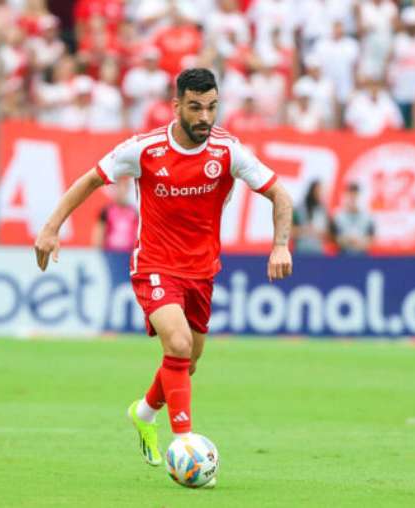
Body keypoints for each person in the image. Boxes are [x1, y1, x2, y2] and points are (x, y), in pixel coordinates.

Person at [34, 68, 293, 477]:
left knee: (187, 362)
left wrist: (280, 244)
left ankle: (143, 412)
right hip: (154, 265)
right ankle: (185, 443)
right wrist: (51, 228)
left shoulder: (228, 151)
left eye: (211, 107)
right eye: (195, 107)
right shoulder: (145, 149)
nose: (204, 117)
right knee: (177, 342)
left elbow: (279, 193)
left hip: (202, 271)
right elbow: (90, 181)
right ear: (177, 106)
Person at [92, 178, 139, 252]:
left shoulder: (134, 212)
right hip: (111, 254)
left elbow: (138, 234)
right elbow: (98, 235)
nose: (122, 191)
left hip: (128, 253)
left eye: (125, 188)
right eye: (119, 188)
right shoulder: (106, 211)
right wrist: (98, 251)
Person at [331, 182, 374, 255]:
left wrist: (361, 242)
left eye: (355, 196)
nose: (353, 200)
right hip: (343, 253)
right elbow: (333, 236)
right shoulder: (338, 216)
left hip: (362, 253)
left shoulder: (368, 216)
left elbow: (371, 236)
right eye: (351, 196)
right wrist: (347, 241)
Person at [293, 180, 330, 254]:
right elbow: (290, 230)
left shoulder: (323, 210)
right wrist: (305, 230)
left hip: (318, 252)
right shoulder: (299, 209)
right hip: (301, 251)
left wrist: (320, 233)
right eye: (318, 190)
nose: (320, 193)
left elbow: (328, 234)